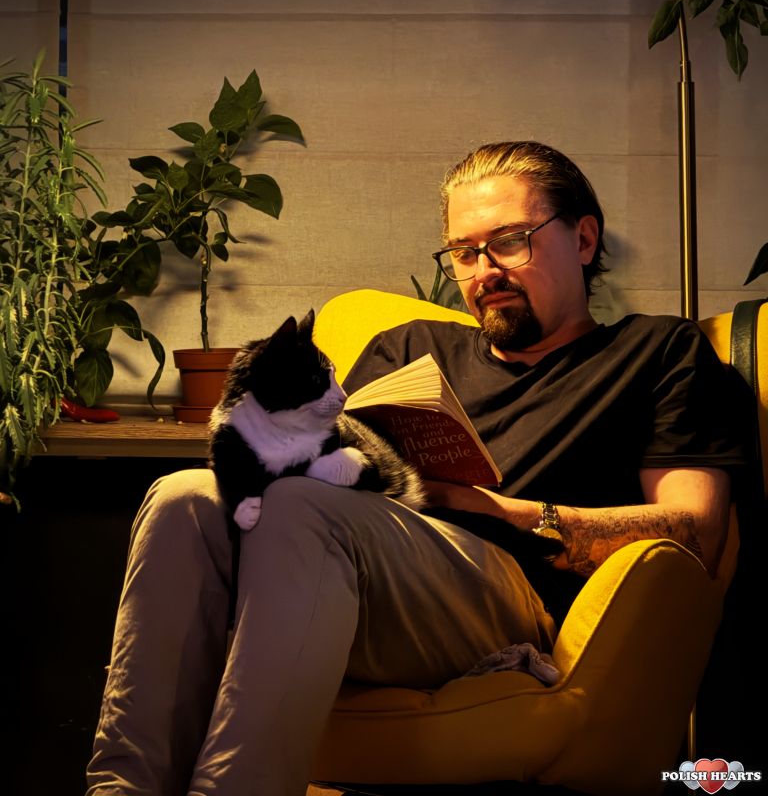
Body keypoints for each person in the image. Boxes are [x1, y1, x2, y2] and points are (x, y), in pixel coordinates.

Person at [86, 141, 743, 796]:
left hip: (503, 597)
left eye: (509, 242)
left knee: (296, 508)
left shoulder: (656, 352)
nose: (484, 271)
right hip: (345, 569)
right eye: (464, 252)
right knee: (186, 496)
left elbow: (697, 531)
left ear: (584, 239)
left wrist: (497, 509)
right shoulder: (409, 348)